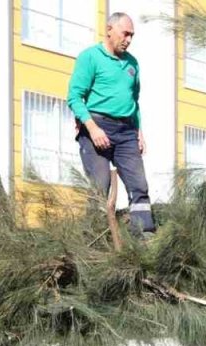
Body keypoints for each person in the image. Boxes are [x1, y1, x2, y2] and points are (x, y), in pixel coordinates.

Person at [67, 12, 153, 234]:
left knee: (139, 186)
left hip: (126, 132)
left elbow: (134, 101)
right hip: (96, 128)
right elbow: (75, 97)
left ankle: (143, 236)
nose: (129, 40)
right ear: (109, 30)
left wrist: (139, 132)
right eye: (125, 34)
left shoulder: (133, 64)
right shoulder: (90, 57)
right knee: (100, 187)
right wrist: (92, 128)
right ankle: (94, 241)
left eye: (132, 35)